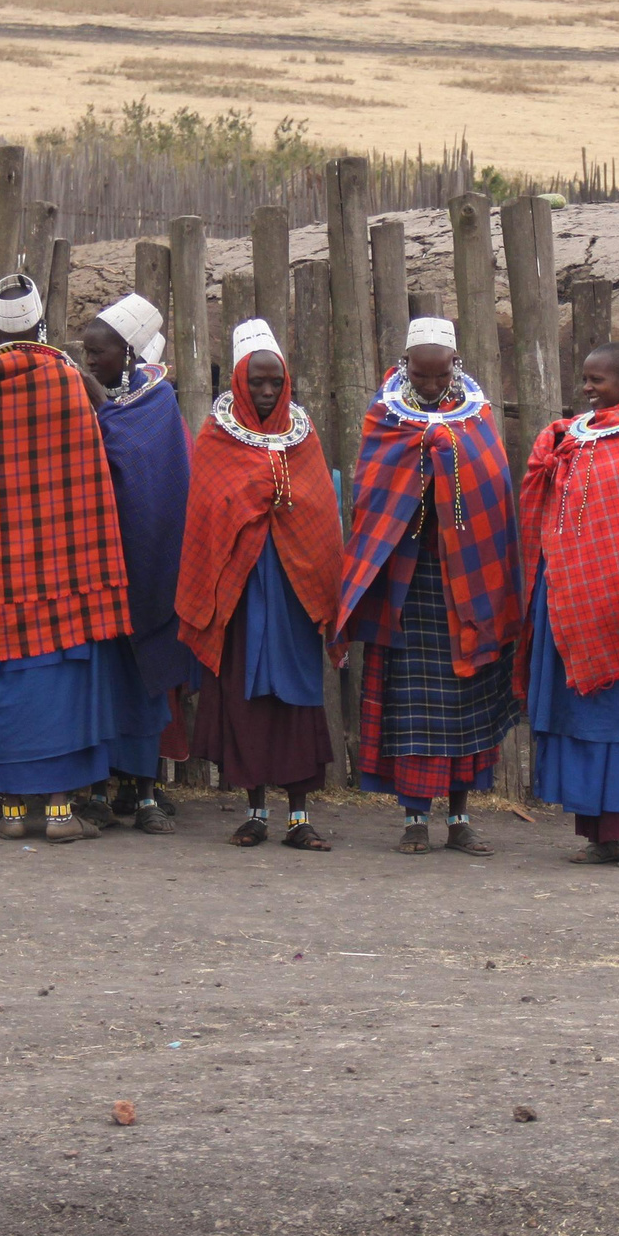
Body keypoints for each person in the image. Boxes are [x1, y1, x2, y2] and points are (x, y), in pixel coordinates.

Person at [0, 275, 136, 842]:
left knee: (2, 678)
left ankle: (10, 812)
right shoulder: (64, 378)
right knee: (60, 680)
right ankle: (58, 811)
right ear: (42, 327)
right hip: (64, 561)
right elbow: (91, 468)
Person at [333, 316, 521, 856]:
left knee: (466, 700)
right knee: (410, 703)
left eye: (441, 377)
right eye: (421, 375)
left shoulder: (478, 415)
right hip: (408, 581)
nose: (431, 386)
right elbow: (372, 494)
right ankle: (415, 816)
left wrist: (447, 451)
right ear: (405, 365)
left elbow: (492, 491)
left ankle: (460, 819)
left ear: (455, 366)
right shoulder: (384, 415)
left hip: (469, 582)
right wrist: (425, 455)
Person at [178, 318, 343, 850]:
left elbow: (318, 508)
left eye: (276, 382)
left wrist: (284, 512)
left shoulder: (304, 434)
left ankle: (299, 817)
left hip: (295, 591)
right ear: (239, 383)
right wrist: (255, 500)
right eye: (257, 383)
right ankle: (254, 811)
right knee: (245, 694)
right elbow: (208, 509)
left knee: (295, 695)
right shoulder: (215, 435)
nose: (268, 392)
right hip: (241, 591)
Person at [518, 341, 619, 869]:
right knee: (584, 718)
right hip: (574, 598)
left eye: (599, 380)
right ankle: (601, 834)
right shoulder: (570, 438)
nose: (587, 388)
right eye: (585, 379)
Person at [80, 291, 199, 833]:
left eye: (98, 354)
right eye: (85, 354)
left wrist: (99, 405)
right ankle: (100, 790)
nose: (90, 363)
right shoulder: (92, 399)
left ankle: (145, 792)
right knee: (101, 682)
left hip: (146, 557)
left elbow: (141, 461)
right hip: (96, 561)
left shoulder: (157, 400)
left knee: (147, 677)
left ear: (127, 355)